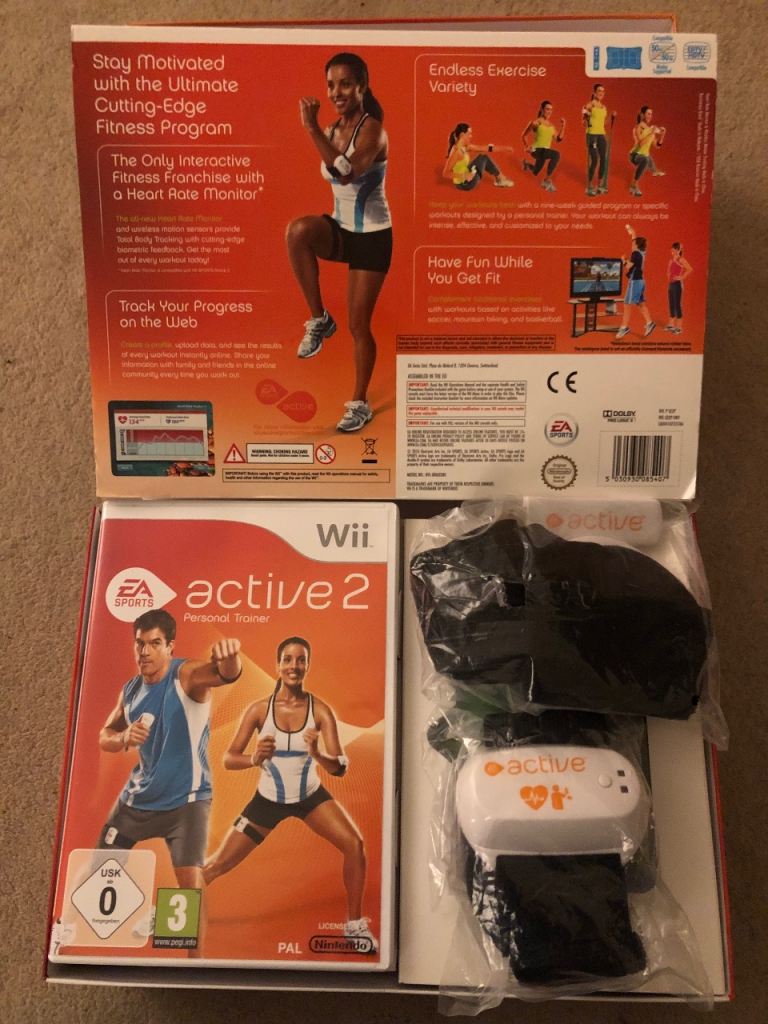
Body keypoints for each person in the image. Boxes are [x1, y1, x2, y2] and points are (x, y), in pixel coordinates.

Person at [203, 636, 378, 953]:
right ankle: (166, 911)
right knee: (216, 865)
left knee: (355, 845)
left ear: (307, 665)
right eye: (287, 659)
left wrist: (317, 753)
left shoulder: (320, 710)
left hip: (309, 797)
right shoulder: (259, 710)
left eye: (300, 660)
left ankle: (354, 925)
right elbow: (229, 759)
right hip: (267, 801)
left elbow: (339, 767)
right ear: (278, 665)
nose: (294, 666)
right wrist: (254, 759)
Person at [97, 609, 243, 957]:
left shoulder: (186, 675)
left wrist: (230, 659)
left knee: (190, 887)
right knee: (100, 871)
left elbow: (224, 674)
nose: (145, 651)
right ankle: (140, 912)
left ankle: (194, 967)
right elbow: (105, 735)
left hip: (186, 801)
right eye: (140, 643)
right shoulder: (131, 690)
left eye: (154, 643)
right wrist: (124, 737)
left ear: (170, 646)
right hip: (137, 799)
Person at [286, 52, 391, 433]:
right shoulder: (331, 130)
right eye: (331, 85)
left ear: (362, 86)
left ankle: (360, 403)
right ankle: (319, 319)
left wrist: (310, 128)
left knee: (359, 325)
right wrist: (320, 130)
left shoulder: (373, 130)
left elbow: (346, 173)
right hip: (342, 229)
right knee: (297, 231)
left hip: (373, 237)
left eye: (345, 84)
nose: (336, 92)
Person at [443, 123, 515, 191]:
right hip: (465, 184)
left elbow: (485, 148)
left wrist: (505, 149)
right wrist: (464, 176)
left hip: (467, 174)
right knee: (483, 158)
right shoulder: (457, 151)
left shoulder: (465, 147)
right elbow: (445, 173)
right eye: (469, 134)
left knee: (483, 156)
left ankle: (500, 178)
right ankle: (500, 179)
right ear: (462, 135)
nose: (471, 136)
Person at [616, 224, 655, 339]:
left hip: (635, 282)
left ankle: (624, 328)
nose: (631, 244)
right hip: (640, 281)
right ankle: (650, 323)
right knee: (640, 303)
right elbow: (634, 238)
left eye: (633, 244)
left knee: (627, 304)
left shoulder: (635, 253)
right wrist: (631, 231)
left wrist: (623, 260)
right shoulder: (642, 252)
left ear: (637, 245)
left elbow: (629, 266)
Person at [521, 101, 565, 192]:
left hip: (544, 152)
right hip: (536, 150)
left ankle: (527, 165)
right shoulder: (536, 123)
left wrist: (563, 126)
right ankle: (547, 181)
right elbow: (524, 135)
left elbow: (558, 139)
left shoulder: (551, 126)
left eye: (551, 110)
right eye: (547, 109)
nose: (549, 112)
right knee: (556, 155)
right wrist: (527, 146)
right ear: (541, 109)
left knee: (535, 172)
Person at [582, 84, 615, 196]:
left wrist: (611, 117)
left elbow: (603, 123)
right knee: (595, 160)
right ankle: (590, 185)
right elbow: (583, 122)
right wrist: (586, 117)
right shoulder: (589, 105)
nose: (601, 93)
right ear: (594, 92)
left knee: (604, 160)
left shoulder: (604, 107)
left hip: (601, 135)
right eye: (599, 91)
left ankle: (600, 185)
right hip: (592, 135)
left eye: (603, 91)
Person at [629, 106, 666, 196]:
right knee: (645, 158)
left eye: (651, 114)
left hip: (645, 155)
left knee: (646, 157)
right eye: (648, 114)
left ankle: (654, 170)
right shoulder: (639, 127)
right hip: (635, 155)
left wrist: (662, 135)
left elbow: (657, 146)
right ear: (643, 115)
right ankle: (634, 185)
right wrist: (651, 132)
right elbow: (641, 144)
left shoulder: (650, 129)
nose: (650, 116)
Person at [665, 242, 693, 334]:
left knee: (677, 305)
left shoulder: (681, 259)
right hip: (671, 284)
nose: (672, 251)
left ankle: (679, 328)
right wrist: (669, 274)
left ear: (678, 250)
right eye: (672, 250)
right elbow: (669, 271)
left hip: (677, 285)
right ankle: (671, 325)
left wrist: (681, 277)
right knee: (671, 305)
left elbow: (689, 269)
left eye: (674, 250)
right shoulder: (671, 260)